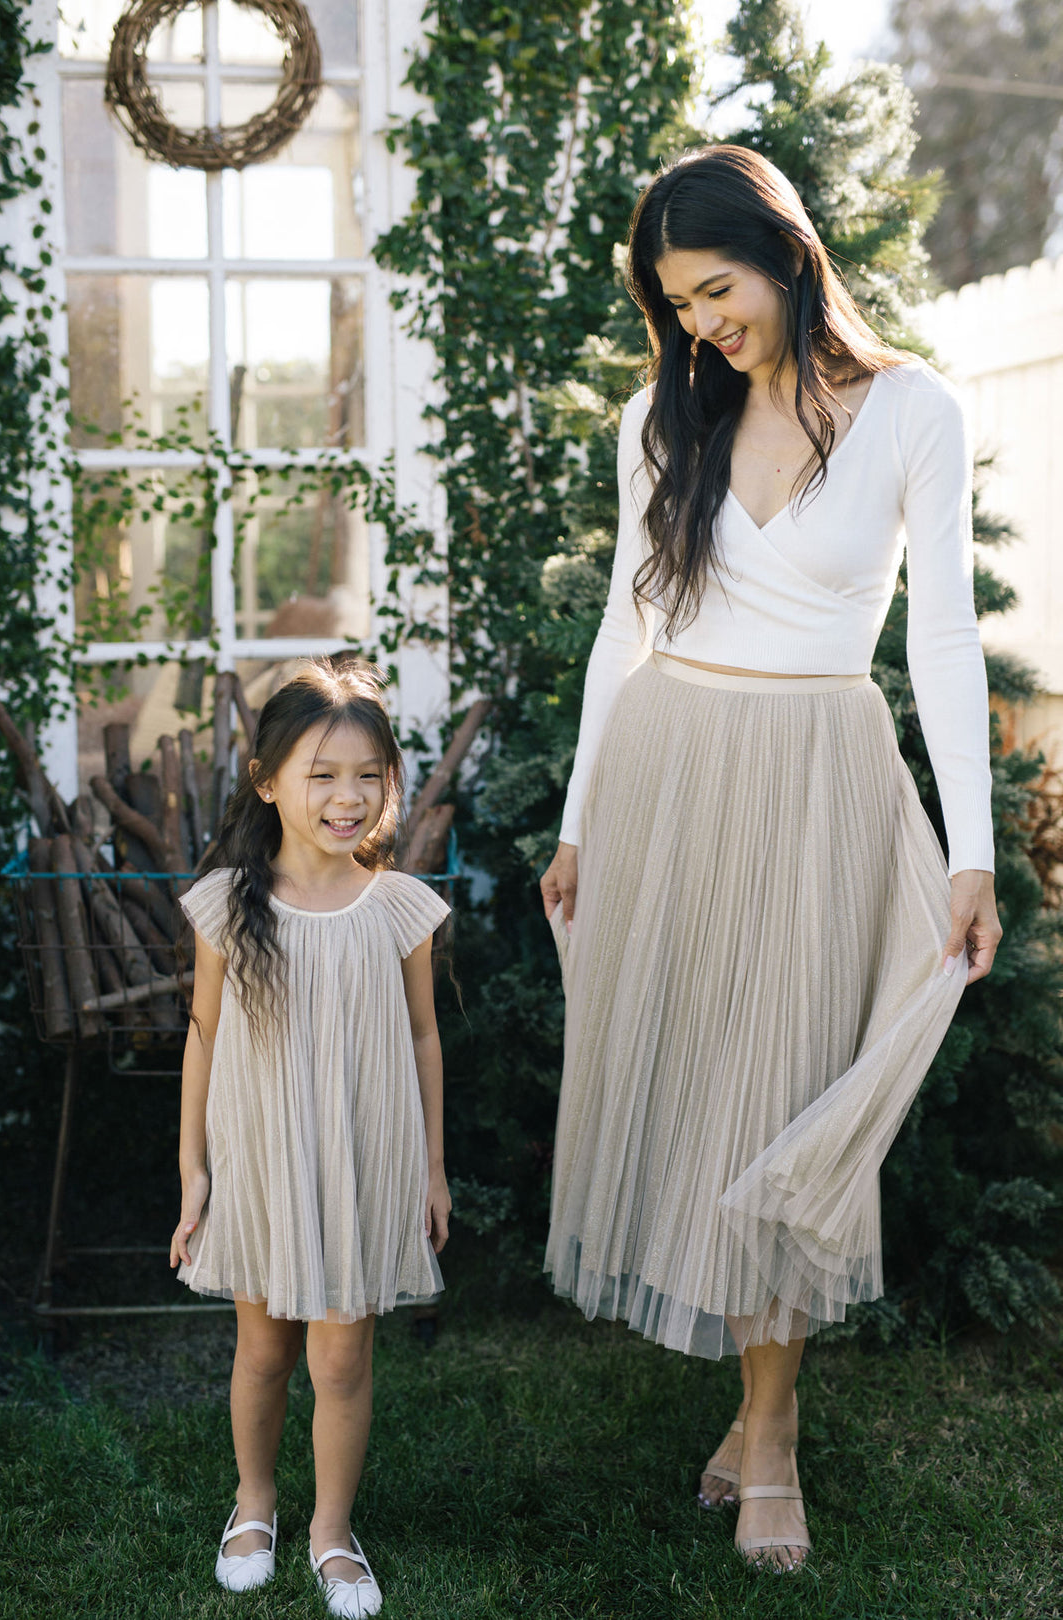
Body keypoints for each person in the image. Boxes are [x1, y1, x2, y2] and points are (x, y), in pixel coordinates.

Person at [539, 145, 1001, 1573]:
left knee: (788, 1099)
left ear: (788, 255)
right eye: (677, 304)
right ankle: (755, 1420)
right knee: (704, 1100)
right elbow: (628, 627)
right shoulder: (660, 424)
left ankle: (775, 1435)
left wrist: (972, 850)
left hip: (822, 780)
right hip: (674, 774)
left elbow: (939, 634)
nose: (700, 325)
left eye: (715, 288)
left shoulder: (912, 405)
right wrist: (575, 817)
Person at [169, 658, 451, 1618]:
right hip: (262, 1158)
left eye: (367, 775)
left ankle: (333, 1528)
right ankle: (256, 1502)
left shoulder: (399, 907)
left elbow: (422, 1036)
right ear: (268, 781)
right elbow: (203, 1037)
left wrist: (435, 1172)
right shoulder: (225, 906)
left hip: (366, 1160)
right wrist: (193, 1174)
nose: (346, 797)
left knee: (342, 1361)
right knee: (264, 1353)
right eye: (321, 774)